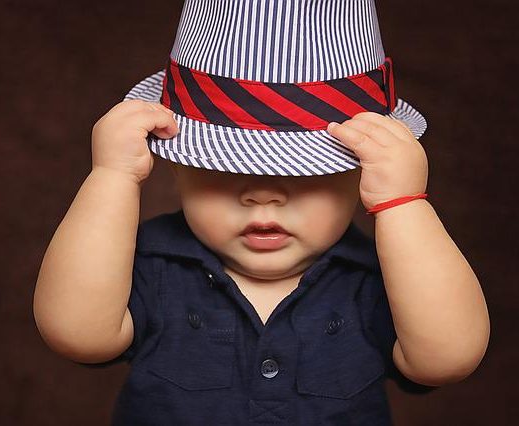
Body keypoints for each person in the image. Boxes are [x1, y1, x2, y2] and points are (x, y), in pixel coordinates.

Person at [33, 0, 490, 424]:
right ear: (176, 168)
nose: (263, 194)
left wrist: (404, 206)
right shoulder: (152, 267)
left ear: (359, 176)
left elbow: (448, 358)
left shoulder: (383, 279)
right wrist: (111, 178)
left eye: (307, 172)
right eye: (225, 167)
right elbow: (76, 333)